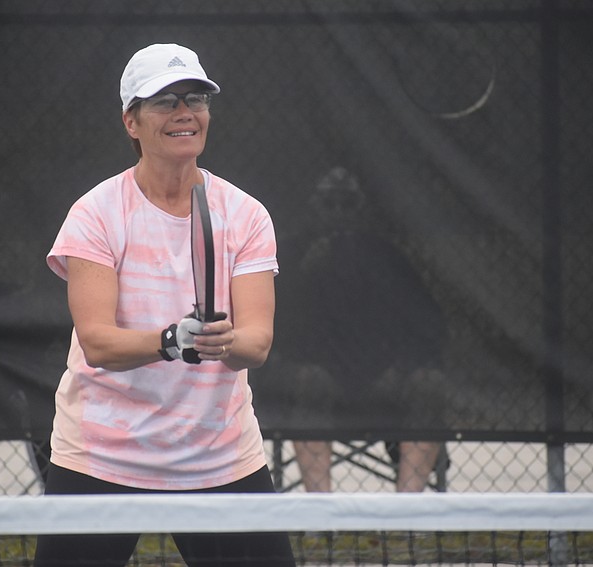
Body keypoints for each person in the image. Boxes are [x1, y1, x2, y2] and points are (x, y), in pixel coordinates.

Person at [33, 43, 296, 567]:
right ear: (131, 122)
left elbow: (256, 343)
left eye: (195, 98)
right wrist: (173, 340)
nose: (184, 112)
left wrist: (224, 341)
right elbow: (99, 343)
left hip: (218, 455)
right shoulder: (95, 214)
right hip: (101, 456)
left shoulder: (245, 215)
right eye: (164, 101)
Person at [276, 166, 448, 494]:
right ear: (315, 206)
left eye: (347, 203)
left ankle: (407, 515)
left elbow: (424, 322)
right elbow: (278, 322)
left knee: (429, 385)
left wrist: (401, 368)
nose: (338, 212)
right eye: (330, 203)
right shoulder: (290, 256)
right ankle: (321, 513)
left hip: (383, 378)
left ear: (361, 208)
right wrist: (305, 273)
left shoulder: (388, 257)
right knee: (310, 383)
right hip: (316, 376)